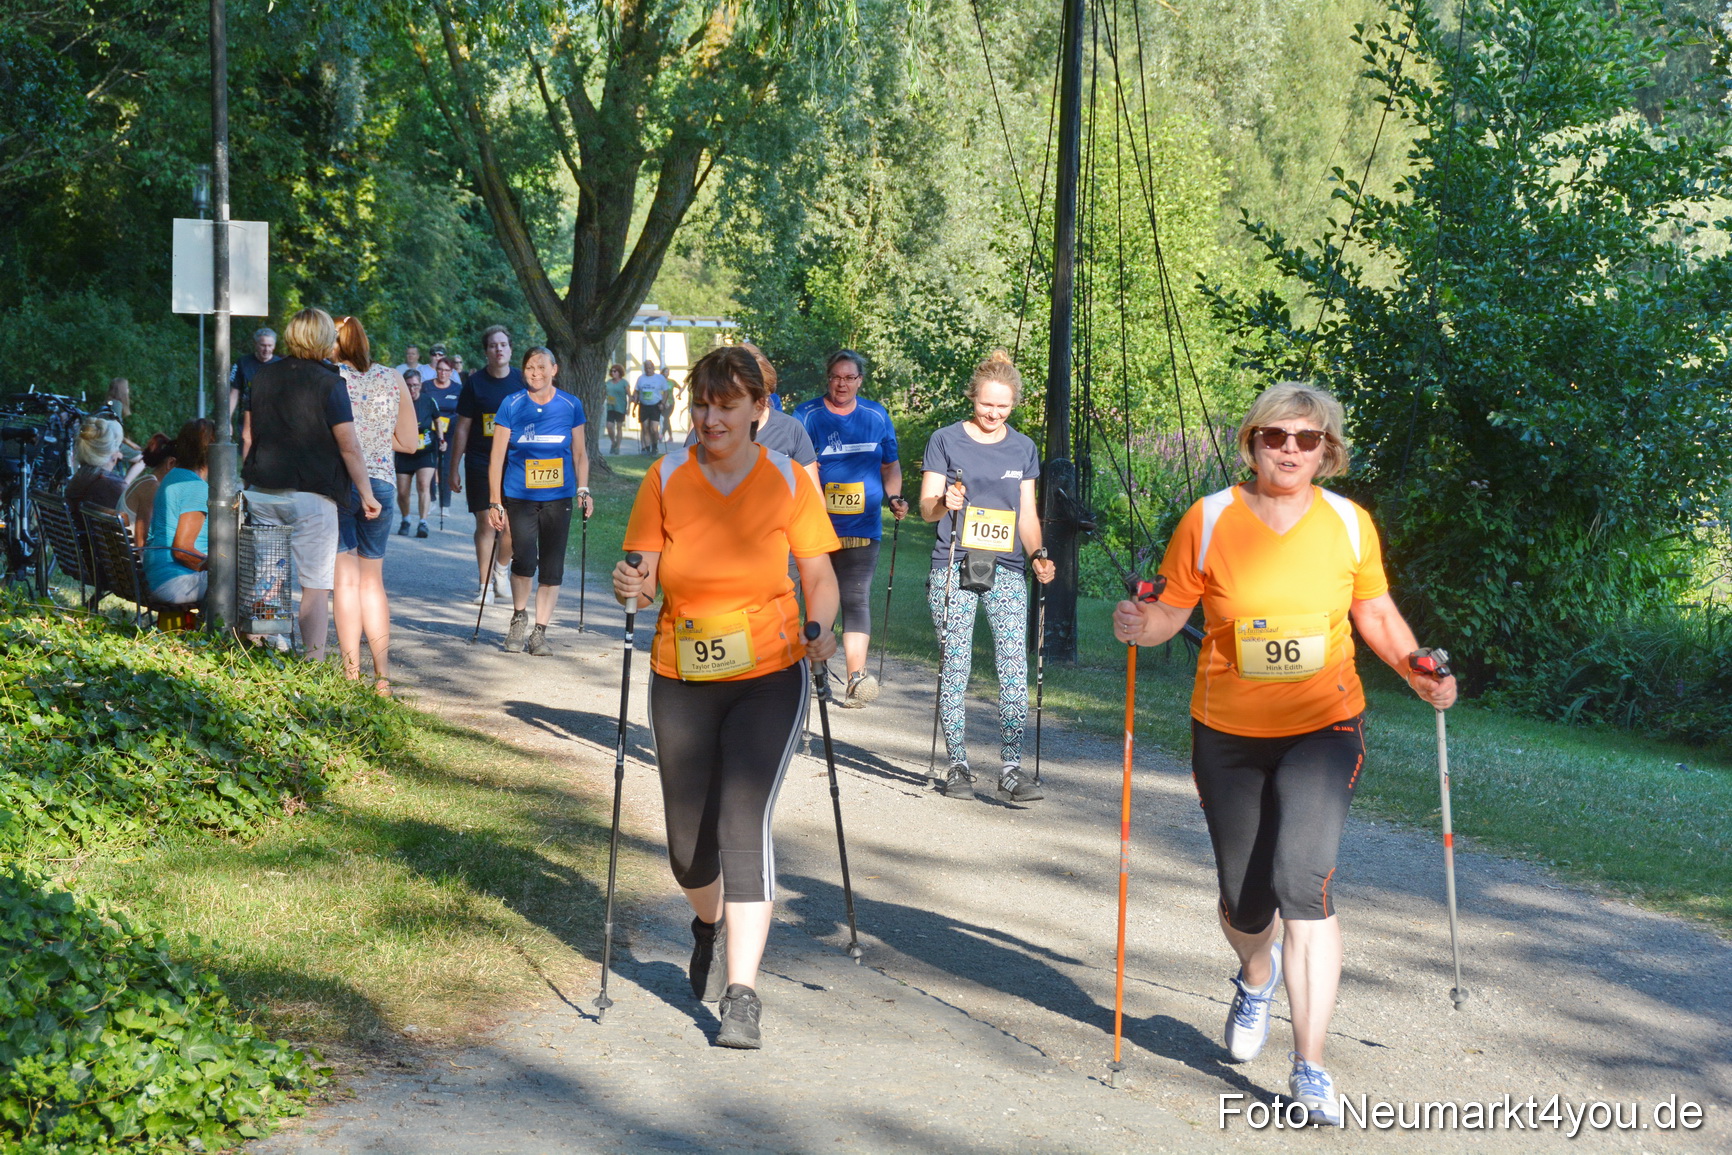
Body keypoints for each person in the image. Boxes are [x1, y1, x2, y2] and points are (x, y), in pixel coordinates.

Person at [1111, 382, 1457, 1125]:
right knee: (1246, 897)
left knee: (1304, 882)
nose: (1290, 449)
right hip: (1228, 732)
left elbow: (1375, 611)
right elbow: (1170, 614)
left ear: (1327, 449)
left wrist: (1416, 669)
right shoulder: (1208, 520)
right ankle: (1255, 973)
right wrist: (1137, 622)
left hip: (1323, 726)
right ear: (1253, 443)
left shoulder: (1347, 523)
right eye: (1275, 436)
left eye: (1306, 438)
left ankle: (1310, 1064)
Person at [613, 345, 840, 1051]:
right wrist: (633, 586)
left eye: (727, 405)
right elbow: (644, 576)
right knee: (688, 850)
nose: (711, 417)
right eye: (703, 404)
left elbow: (821, 577)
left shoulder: (788, 481)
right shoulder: (667, 476)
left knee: (744, 819)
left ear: (757, 410)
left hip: (770, 671)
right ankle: (708, 927)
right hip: (682, 671)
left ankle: (743, 993)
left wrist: (821, 626)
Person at [919, 350, 1056, 804]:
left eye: (1003, 407)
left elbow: (1027, 513)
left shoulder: (1024, 448)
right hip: (955, 562)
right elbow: (926, 508)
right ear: (972, 398)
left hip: (1008, 568)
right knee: (954, 665)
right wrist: (946, 505)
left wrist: (1038, 553)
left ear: (1013, 404)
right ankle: (957, 764)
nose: (994, 414)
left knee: (1013, 668)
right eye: (986, 405)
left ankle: (1012, 770)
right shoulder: (944, 439)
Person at [243, 307, 382, 663]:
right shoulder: (331, 384)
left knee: (267, 576)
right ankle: (312, 663)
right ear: (323, 339)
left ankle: (263, 653)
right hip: (311, 495)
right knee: (315, 584)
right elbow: (349, 446)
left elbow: (247, 436)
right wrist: (366, 494)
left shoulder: (261, 377)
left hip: (262, 489)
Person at [793, 350, 907, 706]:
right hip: (815, 527)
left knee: (855, 598)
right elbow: (792, 468)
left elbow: (890, 466)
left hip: (862, 525)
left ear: (860, 380)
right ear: (827, 379)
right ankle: (816, 669)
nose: (842, 384)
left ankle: (857, 678)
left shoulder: (876, 415)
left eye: (850, 377)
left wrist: (895, 498)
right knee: (813, 595)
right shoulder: (807, 415)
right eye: (836, 377)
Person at [486, 347, 592, 655]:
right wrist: (495, 500)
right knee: (524, 559)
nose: (536, 373)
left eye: (541, 367)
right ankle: (519, 618)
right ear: (523, 372)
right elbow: (497, 456)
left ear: (554, 369)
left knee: (552, 565)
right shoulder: (511, 404)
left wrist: (583, 489)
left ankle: (540, 632)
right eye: (530, 368)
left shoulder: (571, 405)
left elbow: (581, 453)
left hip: (559, 497)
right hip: (519, 495)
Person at [334, 316, 418, 694]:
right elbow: (412, 443)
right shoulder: (393, 377)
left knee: (345, 582)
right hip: (382, 481)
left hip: (341, 482)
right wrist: (379, 441)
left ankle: (351, 674)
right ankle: (382, 678)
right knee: (372, 582)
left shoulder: (331, 377)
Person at [447, 325, 524, 601]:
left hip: (514, 461)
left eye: (503, 344)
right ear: (486, 351)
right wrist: (453, 466)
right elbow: (463, 428)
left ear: (510, 349)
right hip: (481, 460)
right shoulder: (475, 383)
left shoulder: (521, 381)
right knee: (486, 523)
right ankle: (483, 587)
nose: (499, 349)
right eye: (493, 345)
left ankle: (501, 571)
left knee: (511, 526)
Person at [682, 345, 819, 488]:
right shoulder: (664, 472)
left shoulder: (791, 432)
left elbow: (814, 498)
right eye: (701, 404)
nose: (711, 421)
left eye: (727, 406)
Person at [143, 419, 217, 606]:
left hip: (158, 576)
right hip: (176, 582)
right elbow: (183, 551)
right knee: (250, 580)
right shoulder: (195, 487)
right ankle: (262, 635)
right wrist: (220, 568)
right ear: (213, 451)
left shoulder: (174, 476)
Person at [395, 370, 441, 537]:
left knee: (423, 485)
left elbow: (437, 419)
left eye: (416, 385)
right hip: (403, 451)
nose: (413, 389)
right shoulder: (398, 401)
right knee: (402, 491)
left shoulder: (429, 401)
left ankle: (423, 522)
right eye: (409, 385)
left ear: (421, 385)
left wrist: (441, 439)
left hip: (425, 451)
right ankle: (406, 519)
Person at [65, 416, 127, 534]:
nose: (120, 455)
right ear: (113, 454)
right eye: (118, 447)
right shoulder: (111, 486)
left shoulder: (76, 481)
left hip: (79, 550)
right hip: (105, 551)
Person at [122, 433, 175, 548]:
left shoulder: (144, 481)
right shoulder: (152, 488)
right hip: (134, 560)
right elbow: (141, 542)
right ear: (170, 463)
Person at [424, 357, 463, 512]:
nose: (443, 373)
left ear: (451, 372)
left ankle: (445, 503)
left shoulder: (458, 388)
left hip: (450, 431)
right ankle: (431, 499)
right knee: (430, 464)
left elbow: (461, 412)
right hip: (430, 430)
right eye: (440, 369)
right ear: (436, 370)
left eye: (447, 370)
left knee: (446, 467)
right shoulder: (426, 387)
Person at [229, 326, 281, 437]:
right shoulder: (242, 363)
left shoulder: (282, 365)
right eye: (263, 345)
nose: (266, 349)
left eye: (270, 346)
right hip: (247, 419)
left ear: (274, 346)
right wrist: (226, 420)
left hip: (273, 420)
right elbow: (234, 393)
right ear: (256, 345)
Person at [634, 359, 671, 452]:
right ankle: (647, 449)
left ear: (653, 368)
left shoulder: (660, 378)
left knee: (654, 429)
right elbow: (636, 391)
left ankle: (654, 446)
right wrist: (635, 400)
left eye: (650, 368)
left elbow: (666, 392)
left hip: (655, 405)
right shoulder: (641, 378)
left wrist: (663, 403)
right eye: (646, 368)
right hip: (644, 405)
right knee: (645, 427)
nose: (648, 370)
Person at [604, 363, 630, 455]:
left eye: (615, 371)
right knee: (609, 426)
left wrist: (629, 408)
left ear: (619, 372)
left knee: (619, 427)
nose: (613, 373)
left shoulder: (624, 383)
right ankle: (613, 442)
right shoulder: (608, 383)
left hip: (620, 407)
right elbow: (603, 394)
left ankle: (618, 447)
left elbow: (629, 396)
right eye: (612, 371)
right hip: (610, 407)